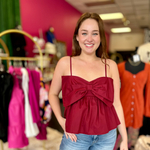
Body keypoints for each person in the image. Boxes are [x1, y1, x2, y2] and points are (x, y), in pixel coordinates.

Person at [48, 12, 128, 150]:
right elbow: (52, 94)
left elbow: (117, 104)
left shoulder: (110, 65)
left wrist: (125, 139)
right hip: (75, 136)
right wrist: (61, 121)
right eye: (84, 33)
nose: (89, 39)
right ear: (77, 37)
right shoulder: (65, 63)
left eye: (95, 33)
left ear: (101, 37)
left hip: (107, 137)